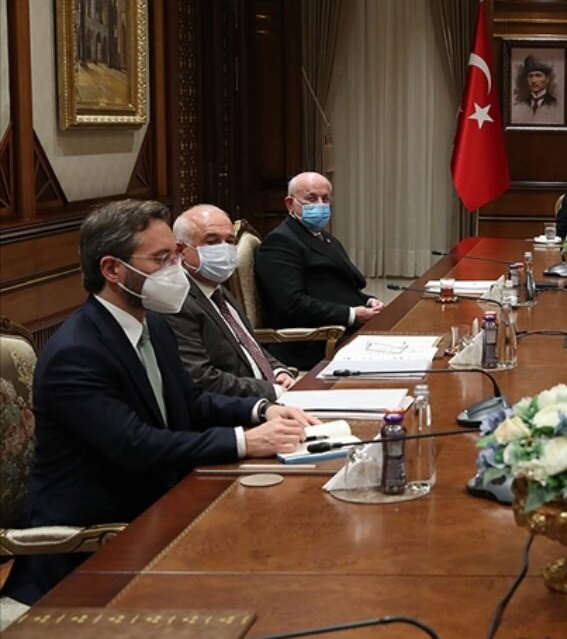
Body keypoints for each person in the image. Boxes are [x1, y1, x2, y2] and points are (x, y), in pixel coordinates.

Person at [3, 199, 318, 605]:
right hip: (95, 546)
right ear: (112, 269)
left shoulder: (155, 326)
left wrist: (262, 410)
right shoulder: (77, 352)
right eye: (161, 259)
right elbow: (137, 444)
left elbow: (191, 400)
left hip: (160, 508)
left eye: (176, 255)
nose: (176, 269)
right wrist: (246, 441)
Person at [165, 204, 294, 399]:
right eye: (212, 241)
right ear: (181, 250)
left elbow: (249, 346)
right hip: (240, 406)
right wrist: (273, 390)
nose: (224, 249)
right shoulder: (177, 302)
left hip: (268, 394)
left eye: (229, 241)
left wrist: (278, 372)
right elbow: (201, 378)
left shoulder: (216, 289)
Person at [255, 172, 383, 369]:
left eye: (325, 199)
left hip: (340, 329)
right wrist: (351, 314)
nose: (321, 205)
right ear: (290, 204)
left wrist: (367, 301)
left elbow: (338, 284)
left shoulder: (322, 236)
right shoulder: (280, 242)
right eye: (311, 198)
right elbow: (292, 303)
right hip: (312, 342)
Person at [511, 55, 560, 125]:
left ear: (547, 79)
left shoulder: (555, 104)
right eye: (530, 76)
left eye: (538, 75)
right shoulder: (521, 105)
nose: (533, 81)